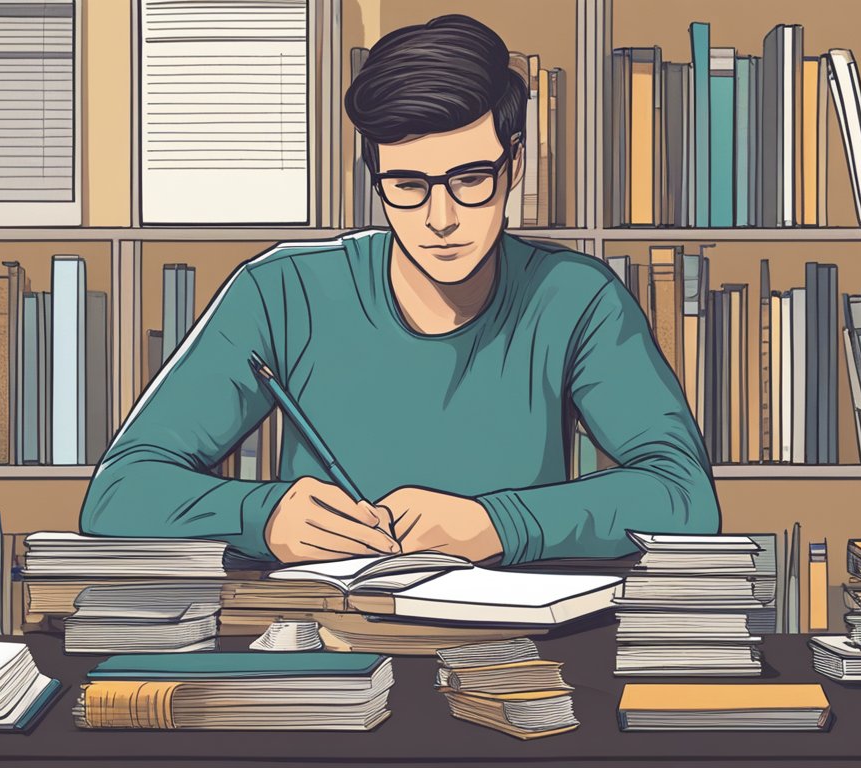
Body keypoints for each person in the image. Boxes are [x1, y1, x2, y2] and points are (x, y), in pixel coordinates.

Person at [80, 14, 720, 565]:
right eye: (408, 186)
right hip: (327, 646)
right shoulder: (282, 291)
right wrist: (263, 515)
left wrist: (499, 526)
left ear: (515, 164)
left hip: (512, 648)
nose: (441, 219)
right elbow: (117, 494)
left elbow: (685, 496)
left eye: (471, 179)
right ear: (375, 178)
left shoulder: (575, 298)